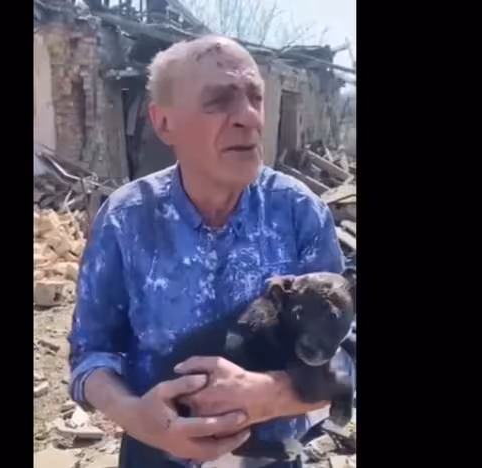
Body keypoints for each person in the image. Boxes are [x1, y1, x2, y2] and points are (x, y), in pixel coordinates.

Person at [67, 34, 355, 468]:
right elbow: (90, 353)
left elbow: (348, 352)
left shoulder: (299, 212)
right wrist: (140, 418)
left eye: (255, 97)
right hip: (156, 456)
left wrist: (269, 395)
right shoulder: (127, 218)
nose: (249, 118)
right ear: (164, 123)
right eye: (219, 101)